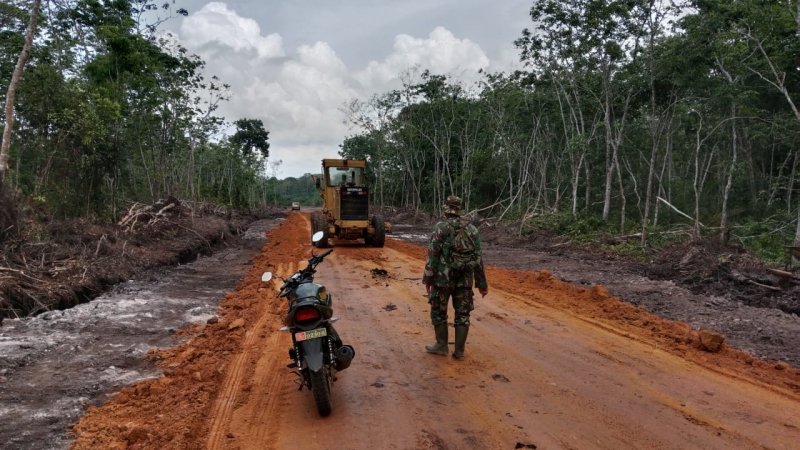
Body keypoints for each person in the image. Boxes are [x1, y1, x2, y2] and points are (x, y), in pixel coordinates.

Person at [422, 195, 488, 360]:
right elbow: (478, 257)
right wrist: (481, 283)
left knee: (438, 311)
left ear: (446, 209)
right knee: (463, 314)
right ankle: (459, 351)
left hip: (442, 279)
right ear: (460, 209)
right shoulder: (472, 229)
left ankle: (442, 345)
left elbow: (433, 255)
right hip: (465, 279)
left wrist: (428, 279)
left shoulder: (441, 227)